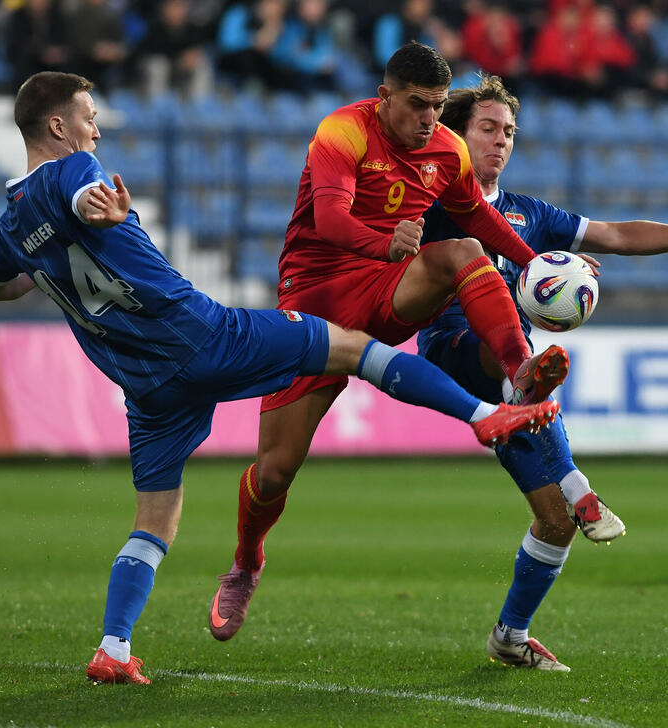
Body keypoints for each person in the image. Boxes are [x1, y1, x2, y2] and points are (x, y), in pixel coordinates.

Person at [0, 71, 561, 684]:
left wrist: (46, 259)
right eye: (89, 117)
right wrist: (98, 214)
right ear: (58, 126)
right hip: (204, 336)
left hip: (145, 386)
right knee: (352, 350)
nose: (96, 129)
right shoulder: (74, 171)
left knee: (155, 519)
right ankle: (483, 414)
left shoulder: (12, 224)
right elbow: (81, 196)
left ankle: (114, 648)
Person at [213, 42, 572, 643]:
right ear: (385, 98)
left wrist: (536, 267)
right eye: (416, 105)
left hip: (387, 287)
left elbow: (480, 219)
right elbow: (329, 222)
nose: (429, 119)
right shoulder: (341, 132)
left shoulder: (445, 148)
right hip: (317, 297)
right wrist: (385, 243)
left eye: (436, 106)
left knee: (463, 251)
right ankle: (247, 560)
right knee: (274, 472)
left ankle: (518, 368)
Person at [416, 74, 668, 669]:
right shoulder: (433, 202)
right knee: (517, 354)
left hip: (516, 380)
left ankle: (510, 636)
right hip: (453, 347)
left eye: (509, 131)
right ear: (457, 136)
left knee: (556, 521)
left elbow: (616, 234)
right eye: (487, 127)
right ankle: (577, 478)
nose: (500, 140)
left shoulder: (527, 214)